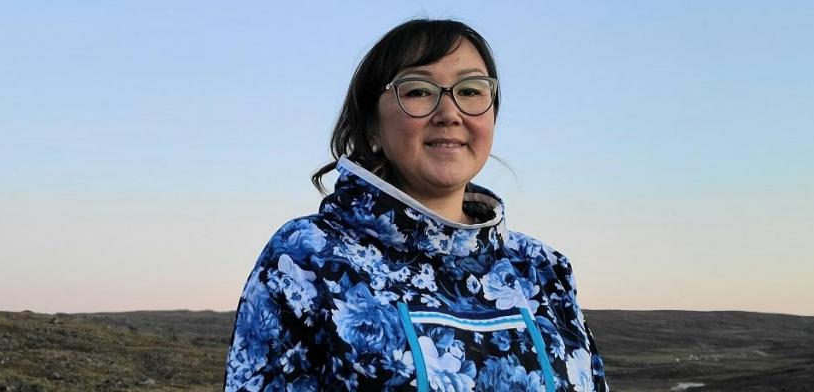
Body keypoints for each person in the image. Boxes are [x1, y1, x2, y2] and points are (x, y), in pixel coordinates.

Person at [224, 19, 608, 391]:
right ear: (372, 126)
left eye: (471, 90)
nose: (450, 114)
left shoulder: (542, 269)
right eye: (419, 91)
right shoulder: (307, 257)